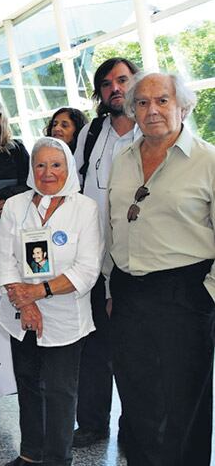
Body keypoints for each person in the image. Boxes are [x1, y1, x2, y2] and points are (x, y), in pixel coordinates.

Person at [106, 72, 215, 465]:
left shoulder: (208, 161)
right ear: (132, 111)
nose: (152, 110)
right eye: (142, 102)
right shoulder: (122, 159)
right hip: (129, 294)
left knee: (184, 405)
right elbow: (113, 224)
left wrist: (207, 294)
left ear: (182, 106)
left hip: (185, 293)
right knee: (138, 402)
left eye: (162, 100)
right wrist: (110, 289)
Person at [0, 136, 102, 466]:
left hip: (65, 317)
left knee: (60, 393)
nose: (47, 172)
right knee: (28, 386)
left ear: (68, 167)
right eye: (40, 165)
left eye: (56, 165)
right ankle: (31, 454)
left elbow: (87, 268)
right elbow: (3, 257)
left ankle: (58, 459)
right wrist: (25, 303)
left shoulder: (85, 208)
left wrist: (38, 293)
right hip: (21, 313)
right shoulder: (16, 205)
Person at [71, 57, 139, 449]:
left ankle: (134, 427)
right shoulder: (92, 132)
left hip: (132, 261)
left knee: (130, 350)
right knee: (92, 347)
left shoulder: (150, 133)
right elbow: (76, 185)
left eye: (122, 80)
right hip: (92, 260)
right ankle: (93, 423)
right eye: (107, 83)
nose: (115, 88)